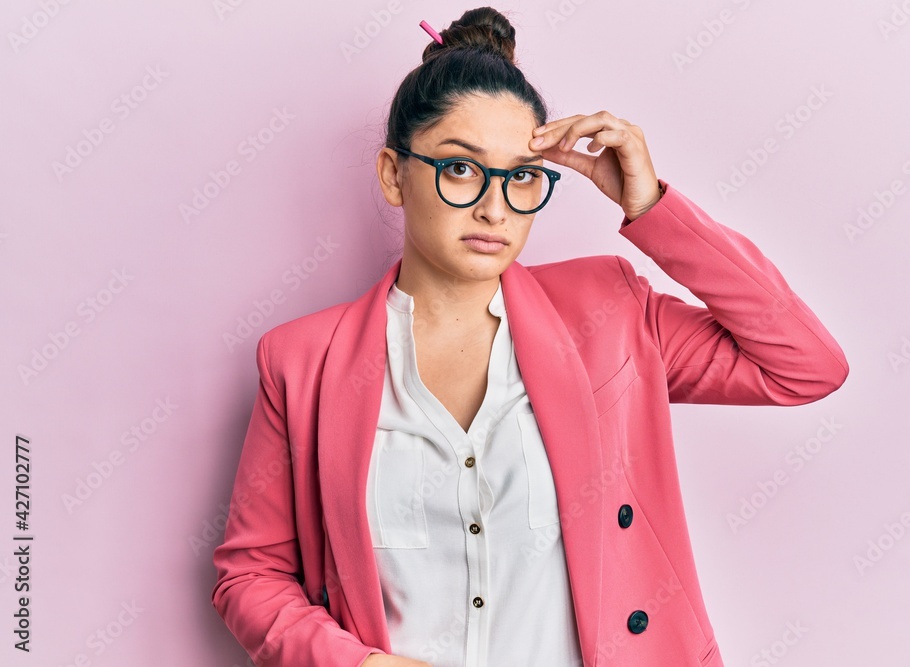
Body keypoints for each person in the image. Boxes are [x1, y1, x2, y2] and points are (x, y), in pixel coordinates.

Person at [210, 7, 849, 667]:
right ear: (393, 174)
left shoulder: (609, 314)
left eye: (520, 177)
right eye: (461, 169)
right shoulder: (301, 363)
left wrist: (651, 205)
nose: (495, 206)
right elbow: (250, 574)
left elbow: (804, 365)